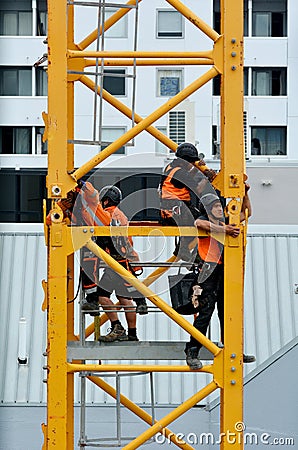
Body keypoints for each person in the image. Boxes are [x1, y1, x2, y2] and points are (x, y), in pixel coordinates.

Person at [184, 185, 255, 369]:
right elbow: (201, 225)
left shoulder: (224, 222)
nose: (218, 208)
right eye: (215, 206)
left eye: (218, 206)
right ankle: (192, 350)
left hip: (223, 271)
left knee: (227, 310)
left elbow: (246, 213)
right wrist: (226, 231)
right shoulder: (205, 220)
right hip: (207, 272)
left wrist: (245, 194)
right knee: (205, 311)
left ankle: (233, 349)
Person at [81, 183, 148, 342]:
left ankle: (117, 326)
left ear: (106, 201)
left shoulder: (107, 215)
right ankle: (132, 334)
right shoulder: (121, 215)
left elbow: (101, 232)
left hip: (116, 263)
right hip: (126, 262)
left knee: (101, 295)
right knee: (125, 298)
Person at [159, 142, 211, 261]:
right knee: (204, 222)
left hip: (169, 212)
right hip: (178, 211)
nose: (193, 164)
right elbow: (197, 189)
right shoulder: (180, 173)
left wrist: (196, 169)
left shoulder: (171, 167)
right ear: (186, 161)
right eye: (192, 161)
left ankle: (182, 249)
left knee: (198, 220)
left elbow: (185, 178)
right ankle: (190, 252)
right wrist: (207, 178)